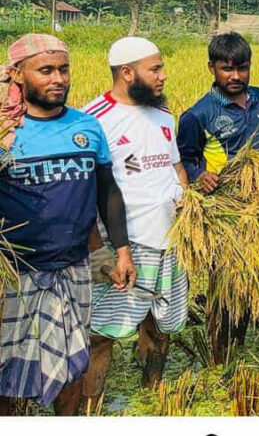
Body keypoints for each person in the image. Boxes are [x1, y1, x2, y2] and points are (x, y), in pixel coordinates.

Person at [0, 34, 133, 416]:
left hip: (73, 266)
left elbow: (107, 191)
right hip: (17, 274)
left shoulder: (86, 127)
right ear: (18, 76)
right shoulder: (6, 133)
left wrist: (119, 251)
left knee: (74, 362)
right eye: (46, 70)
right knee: (9, 364)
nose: (58, 78)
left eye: (63, 69)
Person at [79, 36, 190, 405]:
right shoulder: (92, 119)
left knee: (162, 325)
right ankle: (91, 407)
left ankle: (152, 392)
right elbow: (86, 192)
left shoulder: (163, 115)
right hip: (123, 244)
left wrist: (189, 212)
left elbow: (175, 166)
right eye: (155, 69)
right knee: (101, 334)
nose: (164, 76)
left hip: (170, 242)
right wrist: (101, 254)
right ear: (127, 73)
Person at [175, 31, 259, 363]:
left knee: (254, 279)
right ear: (211, 69)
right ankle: (219, 354)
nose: (235, 76)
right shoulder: (197, 115)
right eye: (226, 69)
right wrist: (201, 174)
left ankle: (240, 346)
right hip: (225, 210)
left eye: (242, 68)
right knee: (225, 281)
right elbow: (186, 158)